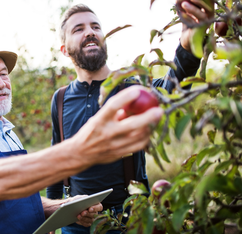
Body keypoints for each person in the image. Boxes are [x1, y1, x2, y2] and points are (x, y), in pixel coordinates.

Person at [0, 37, 163, 234]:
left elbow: (18, 200)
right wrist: (81, 150)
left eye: (3, 74)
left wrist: (63, 207)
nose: (1, 83)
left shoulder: (6, 132)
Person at [46, 2, 214, 234]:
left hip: (127, 220)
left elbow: (169, 88)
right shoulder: (60, 98)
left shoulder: (129, 89)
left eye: (96, 27)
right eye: (79, 29)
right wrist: (52, 218)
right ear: (64, 50)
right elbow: (56, 160)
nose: (90, 32)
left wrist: (186, 45)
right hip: (75, 223)